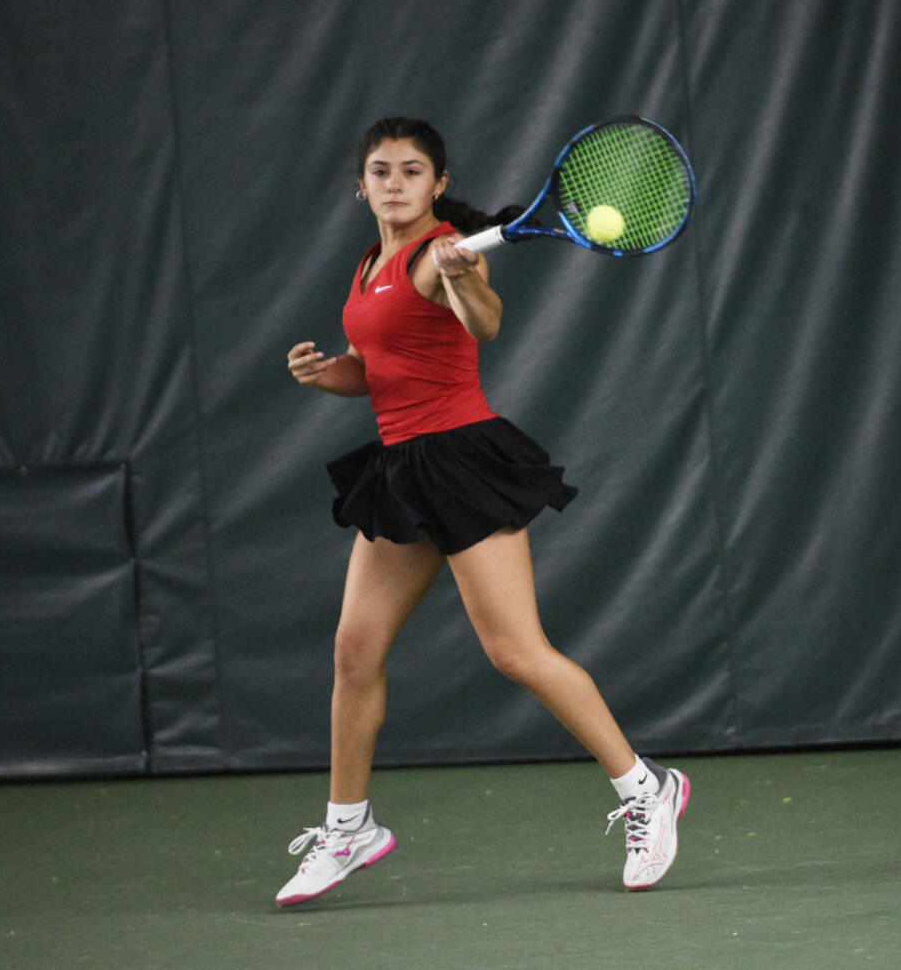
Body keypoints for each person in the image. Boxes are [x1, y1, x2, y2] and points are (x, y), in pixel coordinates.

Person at [278, 117, 688, 907]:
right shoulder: (371, 264)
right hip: (400, 469)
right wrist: (328, 373)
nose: (394, 182)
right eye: (380, 171)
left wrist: (465, 278)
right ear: (360, 185)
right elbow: (378, 371)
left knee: (515, 651)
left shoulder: (438, 255)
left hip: (464, 461)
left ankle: (646, 788)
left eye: (411, 170)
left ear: (438, 183)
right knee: (354, 653)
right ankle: (348, 826)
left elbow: (486, 325)